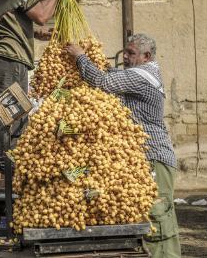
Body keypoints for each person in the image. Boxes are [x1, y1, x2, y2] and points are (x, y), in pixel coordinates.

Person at [65, 33, 181, 258]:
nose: (125, 57)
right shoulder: (133, 73)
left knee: (159, 218)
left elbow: (102, 81)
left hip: (155, 157)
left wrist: (80, 57)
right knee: (144, 218)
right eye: (125, 52)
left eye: (131, 53)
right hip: (140, 158)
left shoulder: (144, 75)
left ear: (146, 56)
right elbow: (110, 73)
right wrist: (91, 58)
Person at [0, 0, 74, 176]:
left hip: (5, 59)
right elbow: (42, 15)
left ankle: (3, 170)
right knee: (14, 116)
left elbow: (10, 21)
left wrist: (33, 33)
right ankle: (8, 173)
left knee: (7, 115)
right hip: (8, 59)